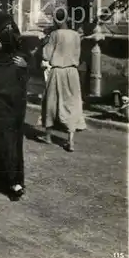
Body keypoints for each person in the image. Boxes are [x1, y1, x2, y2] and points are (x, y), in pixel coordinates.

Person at [0, 12, 30, 201]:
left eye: (11, 28)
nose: (8, 32)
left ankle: (4, 177)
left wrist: (25, 66)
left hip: (16, 104)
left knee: (13, 142)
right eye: (4, 29)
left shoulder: (19, 51)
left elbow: (26, 77)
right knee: (4, 139)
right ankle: (13, 182)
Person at [41, 8, 86, 152]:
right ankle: (70, 140)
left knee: (51, 102)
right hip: (72, 72)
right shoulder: (76, 35)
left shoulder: (54, 34)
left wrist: (45, 42)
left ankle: (48, 136)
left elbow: (46, 56)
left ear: (55, 20)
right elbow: (78, 53)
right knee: (71, 103)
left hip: (57, 71)